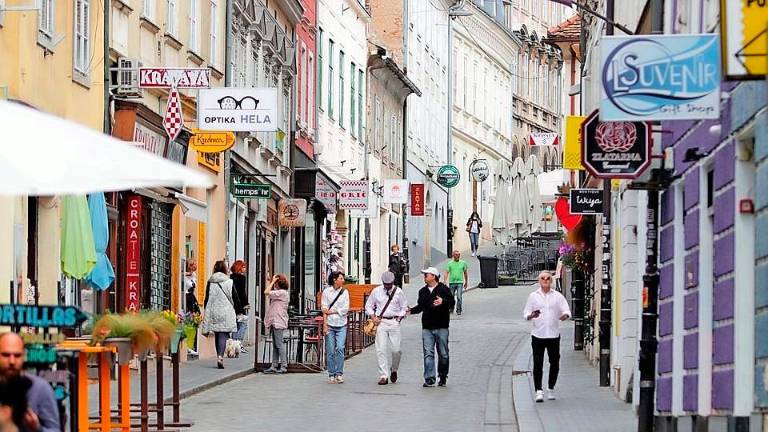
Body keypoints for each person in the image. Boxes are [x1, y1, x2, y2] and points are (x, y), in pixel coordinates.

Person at [522, 271, 571, 402]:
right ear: (539, 281)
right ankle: (538, 390)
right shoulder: (533, 296)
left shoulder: (557, 296)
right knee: (537, 363)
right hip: (538, 334)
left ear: (551, 280)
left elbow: (566, 310)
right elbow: (526, 313)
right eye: (543, 278)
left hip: (553, 334)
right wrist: (532, 315)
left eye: (548, 278)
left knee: (554, 362)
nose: (545, 280)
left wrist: (565, 315)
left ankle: (551, 387)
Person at [0, 332, 60, 432]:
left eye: (17, 355)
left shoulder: (40, 389)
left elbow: (54, 429)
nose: (12, 361)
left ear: (24, 356)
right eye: (6, 355)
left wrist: (37, 428)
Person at [408, 267, 455, 387]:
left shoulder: (443, 289)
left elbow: (452, 303)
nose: (424, 277)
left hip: (442, 326)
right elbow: (421, 307)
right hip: (427, 326)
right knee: (428, 353)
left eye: (426, 275)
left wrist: (443, 302)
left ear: (433, 276)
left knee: (443, 353)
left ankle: (443, 376)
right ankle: (429, 378)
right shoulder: (422, 291)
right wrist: (410, 311)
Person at [365, 271, 408, 385]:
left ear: (393, 282)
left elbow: (404, 307)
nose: (387, 286)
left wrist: (399, 317)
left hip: (394, 321)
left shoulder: (398, 292)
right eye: (385, 284)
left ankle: (394, 369)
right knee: (381, 349)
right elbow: (368, 305)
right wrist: (373, 316)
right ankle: (384, 375)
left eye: (389, 284)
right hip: (381, 321)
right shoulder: (376, 291)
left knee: (396, 350)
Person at [201, 260, 239, 369]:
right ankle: (220, 357)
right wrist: (239, 310)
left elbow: (207, 297)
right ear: (224, 269)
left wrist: (206, 309)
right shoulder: (229, 282)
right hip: (226, 311)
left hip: (214, 310)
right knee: (223, 334)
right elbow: (235, 297)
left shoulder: (210, 281)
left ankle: (219, 355)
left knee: (217, 334)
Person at [321, 271, 349, 384]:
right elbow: (324, 309)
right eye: (341, 278)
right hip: (330, 324)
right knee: (330, 350)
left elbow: (345, 309)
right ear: (334, 279)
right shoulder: (326, 292)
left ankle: (339, 373)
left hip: (341, 324)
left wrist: (332, 311)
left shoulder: (345, 292)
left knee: (340, 348)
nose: (343, 280)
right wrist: (324, 324)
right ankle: (331, 373)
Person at [263, 274, 290, 374]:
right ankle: (274, 365)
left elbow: (266, 292)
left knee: (279, 344)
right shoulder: (280, 293)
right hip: (275, 320)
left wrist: (273, 281)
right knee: (275, 344)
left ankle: (283, 365)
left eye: (276, 283)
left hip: (278, 321)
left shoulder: (282, 292)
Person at [230, 260, 250, 354]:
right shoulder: (242, 278)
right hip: (240, 305)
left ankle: (233, 344)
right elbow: (242, 292)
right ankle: (238, 343)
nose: (245, 269)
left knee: (235, 324)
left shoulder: (230, 277)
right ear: (239, 267)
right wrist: (246, 304)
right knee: (243, 324)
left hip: (232, 304)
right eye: (243, 267)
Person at [444, 250, 468, 315]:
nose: (458, 256)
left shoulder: (463, 263)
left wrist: (466, 282)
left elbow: (465, 273)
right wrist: (445, 281)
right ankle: (451, 309)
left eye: (459, 255)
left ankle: (459, 310)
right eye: (456, 255)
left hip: (460, 282)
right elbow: (446, 272)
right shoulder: (450, 263)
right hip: (452, 282)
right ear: (453, 256)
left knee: (459, 297)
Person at [184, 260, 200, 355]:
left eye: (194, 265)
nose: (193, 267)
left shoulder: (193, 276)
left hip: (192, 298)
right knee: (188, 320)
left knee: (194, 321)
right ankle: (187, 346)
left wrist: (192, 275)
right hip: (186, 298)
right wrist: (186, 274)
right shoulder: (184, 275)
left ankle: (191, 345)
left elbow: (194, 285)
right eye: (191, 265)